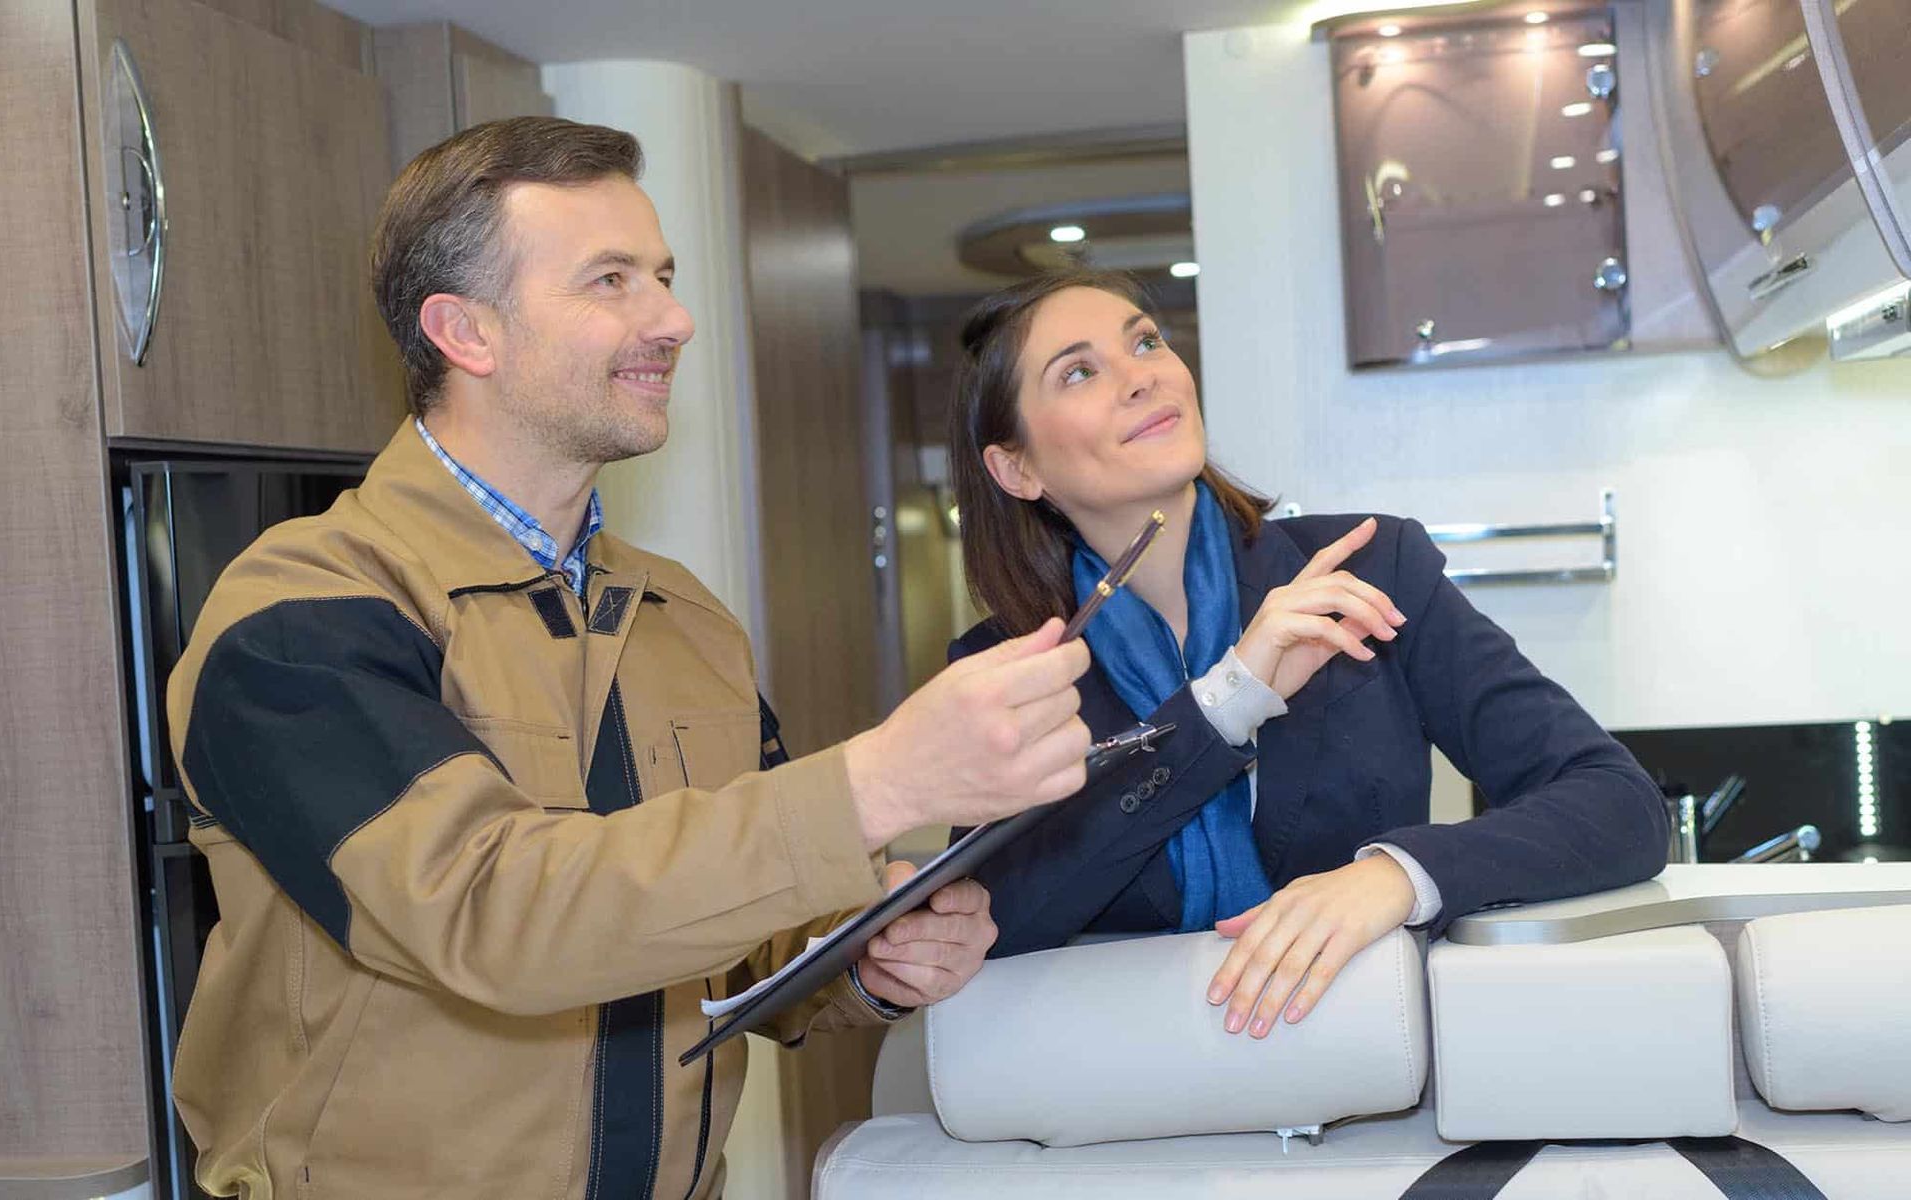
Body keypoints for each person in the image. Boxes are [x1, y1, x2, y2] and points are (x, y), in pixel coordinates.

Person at [164, 117, 1091, 1200]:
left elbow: (747, 949)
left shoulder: (685, 619)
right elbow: (493, 915)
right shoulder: (302, 613)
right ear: (466, 331)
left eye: (663, 275)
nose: (675, 320)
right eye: (611, 281)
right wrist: (876, 783)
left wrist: (867, 959)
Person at [946, 269, 1667, 1040]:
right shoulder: (1005, 674)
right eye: (1081, 372)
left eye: (1146, 342)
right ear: (1016, 469)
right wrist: (1227, 702)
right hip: (1138, 1104)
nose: (1141, 377)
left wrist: (1397, 876)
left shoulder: (1371, 567)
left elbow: (1620, 806)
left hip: (1369, 1083)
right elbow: (992, 921)